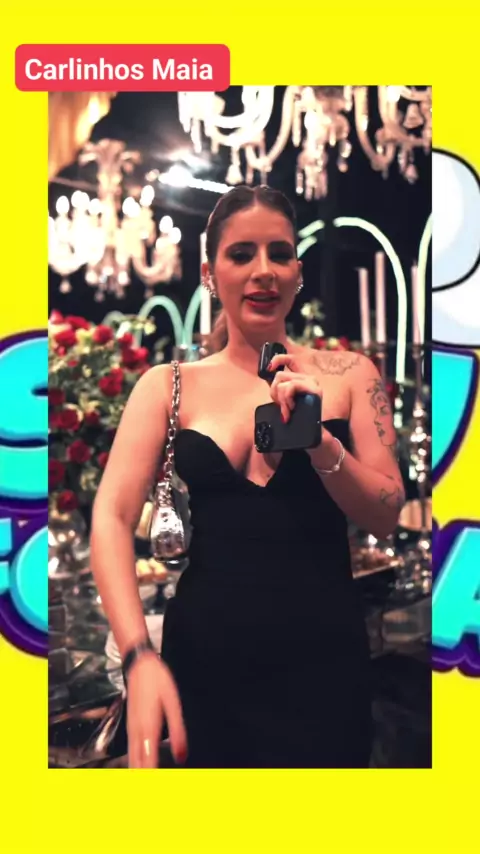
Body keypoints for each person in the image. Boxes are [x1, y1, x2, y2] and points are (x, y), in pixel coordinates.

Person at [90, 185, 405, 768]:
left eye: (279, 253)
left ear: (298, 273)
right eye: (241, 254)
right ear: (210, 274)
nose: (264, 271)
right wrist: (137, 655)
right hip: (202, 660)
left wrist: (321, 443)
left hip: (323, 662)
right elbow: (111, 517)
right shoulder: (168, 385)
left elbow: (387, 513)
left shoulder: (350, 375)